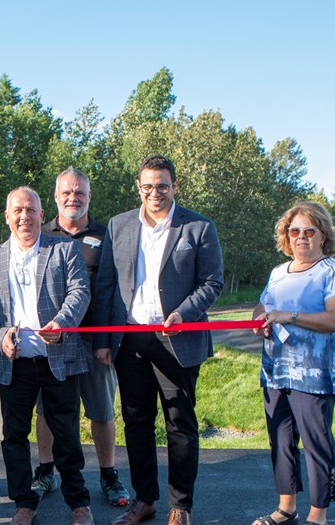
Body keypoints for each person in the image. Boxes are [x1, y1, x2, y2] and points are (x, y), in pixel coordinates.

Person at [93, 155, 224, 525]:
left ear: (175, 186)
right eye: (148, 186)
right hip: (130, 339)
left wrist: (184, 313)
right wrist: (103, 338)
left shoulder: (198, 227)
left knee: (180, 423)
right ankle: (145, 500)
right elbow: (105, 285)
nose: (155, 193)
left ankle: (181, 505)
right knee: (136, 422)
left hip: (177, 340)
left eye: (162, 186)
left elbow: (212, 282)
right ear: (139, 187)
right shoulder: (118, 226)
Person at [0, 186, 95, 525]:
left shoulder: (65, 249)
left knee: (67, 435)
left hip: (58, 359)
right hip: (13, 364)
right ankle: (23, 504)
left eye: (31, 210)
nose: (24, 216)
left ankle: (79, 504)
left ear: (42, 214)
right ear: (7, 217)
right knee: (13, 436)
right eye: (18, 211)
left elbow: (80, 292)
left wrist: (62, 322)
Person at [250, 202, 335, 525]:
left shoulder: (333, 271)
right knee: (281, 442)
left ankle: (318, 514)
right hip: (275, 372)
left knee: (316, 444)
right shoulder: (278, 273)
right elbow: (261, 307)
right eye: (294, 231)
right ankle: (286, 508)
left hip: (314, 376)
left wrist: (288, 316)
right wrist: (259, 320)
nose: (301, 238)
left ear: (323, 235)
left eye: (309, 231)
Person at [32, 168, 130, 506]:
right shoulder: (41, 234)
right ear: (55, 197)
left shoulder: (107, 236)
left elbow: (110, 292)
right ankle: (45, 471)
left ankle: (109, 476)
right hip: (52, 342)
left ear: (89, 196)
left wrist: (105, 339)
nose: (73, 198)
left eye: (80, 193)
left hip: (92, 341)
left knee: (101, 411)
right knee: (47, 410)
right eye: (67, 192)